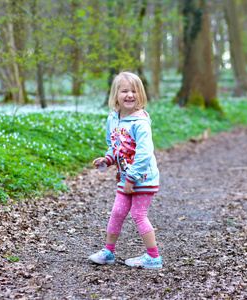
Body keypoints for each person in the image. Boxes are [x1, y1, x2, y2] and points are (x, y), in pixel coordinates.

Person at [88, 71, 161, 269]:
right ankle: (108, 252)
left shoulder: (141, 123)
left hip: (143, 177)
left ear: (140, 95)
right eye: (124, 91)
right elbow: (114, 146)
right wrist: (107, 159)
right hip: (126, 178)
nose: (129, 95)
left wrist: (131, 179)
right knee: (117, 213)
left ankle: (153, 257)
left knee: (138, 215)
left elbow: (144, 154)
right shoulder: (113, 119)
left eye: (134, 91)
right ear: (116, 95)